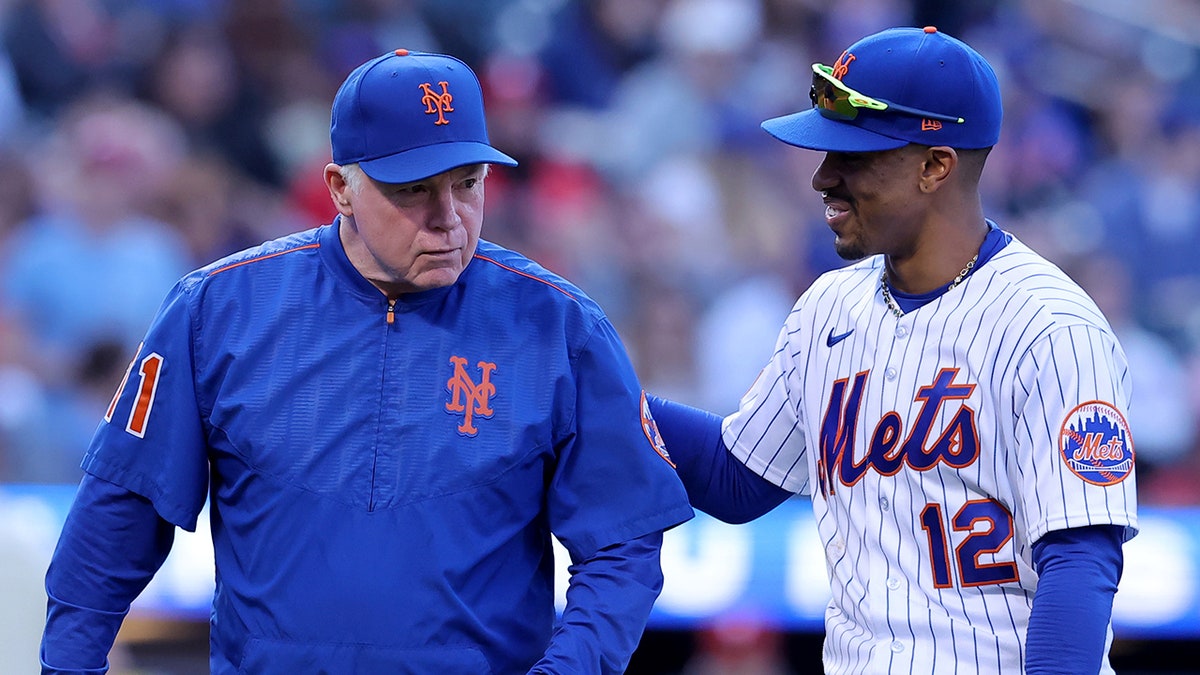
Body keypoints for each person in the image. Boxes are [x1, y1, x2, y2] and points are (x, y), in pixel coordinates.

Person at [39, 49, 693, 674]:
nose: (450, 219)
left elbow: (623, 543)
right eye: (414, 190)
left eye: (468, 183)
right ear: (340, 188)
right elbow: (118, 517)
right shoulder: (218, 309)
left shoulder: (558, 325)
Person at [647, 27, 1138, 674]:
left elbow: (1081, 557)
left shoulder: (1050, 326)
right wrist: (587, 387)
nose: (824, 177)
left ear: (937, 165)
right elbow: (736, 479)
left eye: (854, 157)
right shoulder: (828, 307)